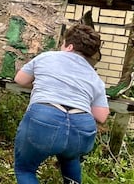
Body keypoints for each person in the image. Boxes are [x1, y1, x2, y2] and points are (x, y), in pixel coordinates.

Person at [13, 24, 110, 184]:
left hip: (44, 119)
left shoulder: (47, 57)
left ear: (69, 46)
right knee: (70, 157)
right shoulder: (94, 76)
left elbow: (20, 79)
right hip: (81, 127)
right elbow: (102, 115)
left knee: (25, 170)